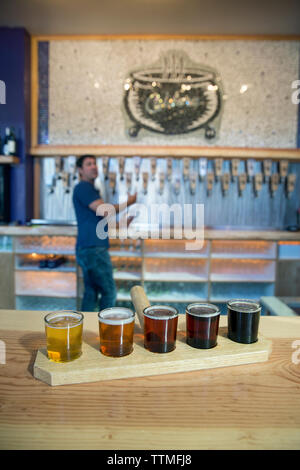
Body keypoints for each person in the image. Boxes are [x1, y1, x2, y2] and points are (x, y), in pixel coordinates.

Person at [73, 154, 137, 312]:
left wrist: (121, 223)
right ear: (80, 170)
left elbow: (98, 221)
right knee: (109, 293)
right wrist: (129, 202)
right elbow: (104, 210)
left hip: (87, 248)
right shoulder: (83, 187)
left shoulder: (88, 189)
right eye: (89, 164)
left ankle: (86, 329)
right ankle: (106, 330)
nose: (94, 166)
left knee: (91, 293)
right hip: (94, 249)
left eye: (94, 163)